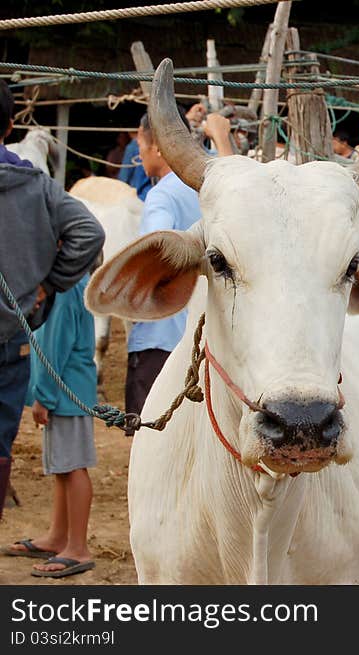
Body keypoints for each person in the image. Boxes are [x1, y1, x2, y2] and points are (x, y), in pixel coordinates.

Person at [0, 80, 105, 521]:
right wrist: (45, 284)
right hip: (11, 338)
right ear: (9, 127)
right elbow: (90, 233)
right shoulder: (37, 187)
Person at [123, 107, 230, 435]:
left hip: (162, 337)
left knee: (152, 439)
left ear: (158, 147)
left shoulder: (162, 196)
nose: (139, 154)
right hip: (213, 340)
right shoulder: (221, 181)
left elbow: (157, 256)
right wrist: (223, 139)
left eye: (141, 145)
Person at [1, 270, 99, 578]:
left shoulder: (65, 289)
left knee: (73, 466)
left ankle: (79, 547)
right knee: (62, 467)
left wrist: (44, 395)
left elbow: (54, 346)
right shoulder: (70, 284)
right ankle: (59, 536)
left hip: (65, 392)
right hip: (67, 391)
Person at [117, 130, 153, 201]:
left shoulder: (132, 147)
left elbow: (123, 178)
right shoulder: (153, 144)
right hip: (150, 193)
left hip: (138, 197)